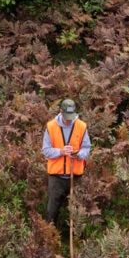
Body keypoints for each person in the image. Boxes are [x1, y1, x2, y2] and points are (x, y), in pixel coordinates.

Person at [42, 98, 90, 230]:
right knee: (51, 212)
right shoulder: (51, 127)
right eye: (66, 117)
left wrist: (79, 154)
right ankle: (50, 240)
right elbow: (45, 151)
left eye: (71, 117)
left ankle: (75, 240)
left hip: (76, 177)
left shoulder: (81, 126)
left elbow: (87, 148)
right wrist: (61, 151)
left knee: (76, 213)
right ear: (60, 112)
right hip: (56, 178)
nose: (69, 120)